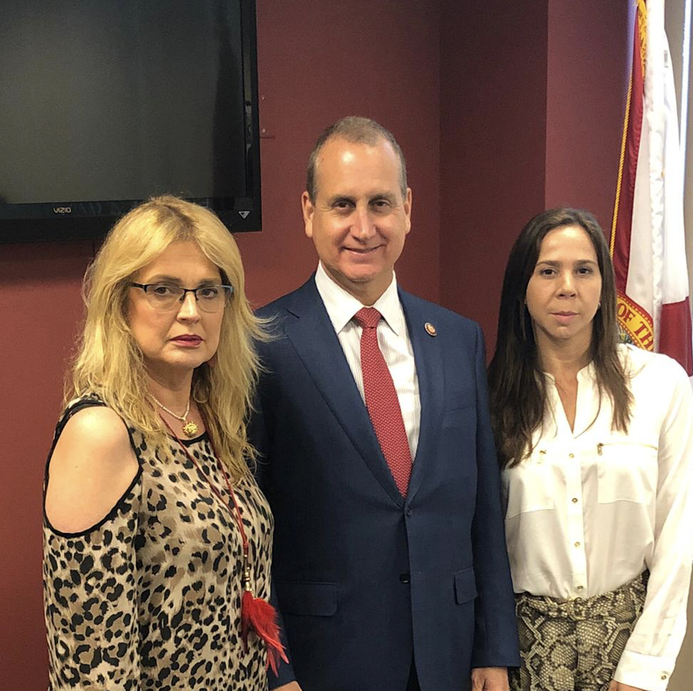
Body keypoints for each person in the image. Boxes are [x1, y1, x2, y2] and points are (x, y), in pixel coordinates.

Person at [249, 116, 520, 691]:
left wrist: (493, 647)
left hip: (447, 656)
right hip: (325, 662)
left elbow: (482, 509)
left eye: (381, 203)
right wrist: (277, 670)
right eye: (342, 204)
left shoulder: (458, 339)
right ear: (307, 212)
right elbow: (250, 528)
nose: (363, 227)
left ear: (408, 209)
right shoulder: (261, 344)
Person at [42, 196, 282, 690]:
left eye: (208, 291)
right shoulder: (101, 432)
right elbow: (92, 670)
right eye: (164, 289)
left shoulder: (213, 416)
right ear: (120, 301)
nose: (191, 312)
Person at [487, 208, 693, 691]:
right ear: (522, 287)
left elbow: (674, 534)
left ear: (604, 283)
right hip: (523, 653)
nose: (567, 286)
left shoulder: (660, 384)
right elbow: (478, 543)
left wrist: (645, 667)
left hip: (628, 646)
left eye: (584, 269)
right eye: (547, 270)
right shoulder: (488, 397)